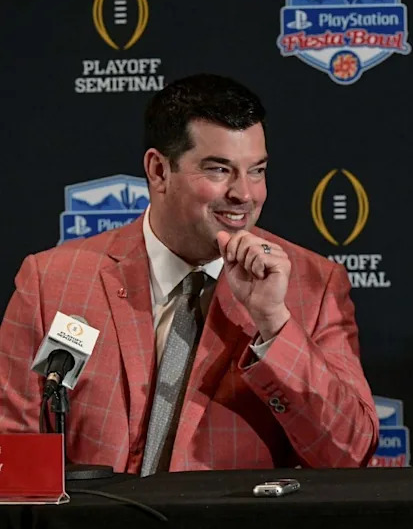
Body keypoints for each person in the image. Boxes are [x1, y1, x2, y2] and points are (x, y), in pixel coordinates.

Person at [0, 74, 378, 475]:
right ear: (158, 171)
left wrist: (273, 324)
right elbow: (11, 449)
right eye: (219, 170)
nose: (245, 194)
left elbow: (348, 457)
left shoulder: (313, 287)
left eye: (257, 171)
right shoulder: (52, 281)